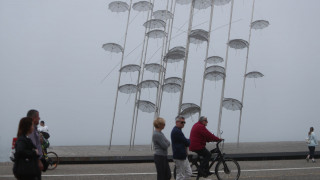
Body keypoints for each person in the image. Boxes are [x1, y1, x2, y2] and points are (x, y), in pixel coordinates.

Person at [171, 115, 192, 180]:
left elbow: (184, 141)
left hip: (183, 156)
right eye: (182, 122)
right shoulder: (176, 131)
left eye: (184, 122)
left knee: (189, 173)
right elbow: (186, 142)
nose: (183, 124)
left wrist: (187, 140)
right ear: (177, 122)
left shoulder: (179, 131)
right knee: (180, 175)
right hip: (179, 157)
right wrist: (189, 140)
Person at [27, 109, 44, 179]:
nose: (39, 118)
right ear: (33, 119)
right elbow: (33, 147)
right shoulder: (31, 129)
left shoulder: (35, 128)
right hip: (33, 163)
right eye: (38, 117)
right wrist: (38, 161)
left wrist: (39, 141)